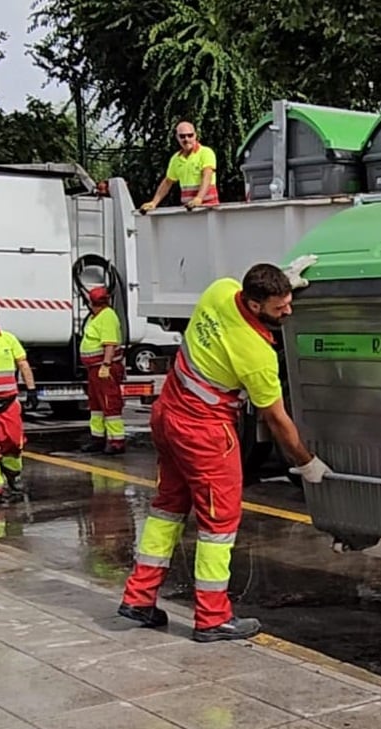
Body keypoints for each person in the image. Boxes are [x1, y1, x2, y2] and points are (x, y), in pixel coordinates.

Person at [118, 259, 331, 642]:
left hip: (168, 415)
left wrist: (283, 280)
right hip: (204, 432)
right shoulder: (256, 354)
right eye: (280, 307)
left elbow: (246, 286)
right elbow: (279, 422)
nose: (289, 310)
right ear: (254, 305)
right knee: (219, 524)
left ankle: (139, 597)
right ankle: (212, 617)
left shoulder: (220, 291)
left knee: (167, 508)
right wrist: (306, 462)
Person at [79, 286, 126, 455]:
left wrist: (106, 365)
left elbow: (110, 344)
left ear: (92, 302)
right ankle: (97, 438)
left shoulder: (107, 317)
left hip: (104, 368)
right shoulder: (97, 316)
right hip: (95, 368)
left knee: (109, 403)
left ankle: (116, 441)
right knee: (96, 405)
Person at [0, 318, 38, 501]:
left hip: (8, 403)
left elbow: (23, 364)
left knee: (13, 442)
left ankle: (13, 478)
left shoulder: (8, 339)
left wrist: (31, 390)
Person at [139, 121, 219, 212]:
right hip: (188, 208)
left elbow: (207, 176)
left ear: (195, 135)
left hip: (209, 208)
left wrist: (199, 198)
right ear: (177, 137)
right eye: (182, 136)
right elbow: (168, 182)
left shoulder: (205, 153)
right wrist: (154, 203)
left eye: (190, 135)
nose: (186, 139)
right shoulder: (176, 159)